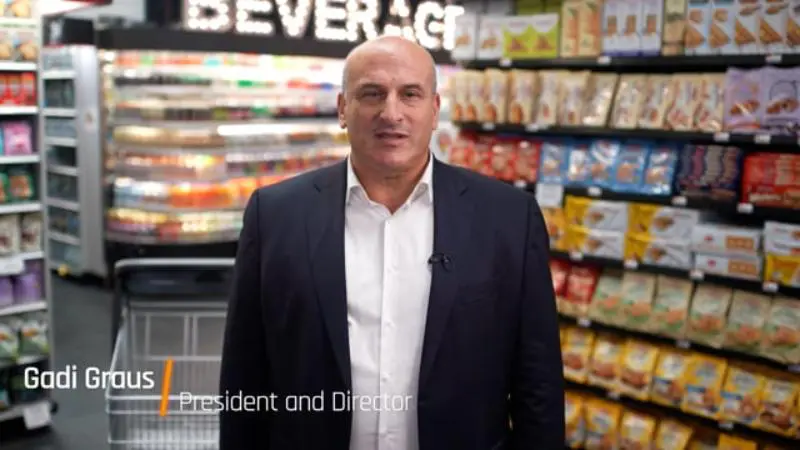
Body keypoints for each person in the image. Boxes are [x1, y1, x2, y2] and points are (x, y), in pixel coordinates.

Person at [218, 36, 565, 450]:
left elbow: (538, 382)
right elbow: (244, 373)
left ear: (434, 110)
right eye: (372, 94)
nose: (391, 113)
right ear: (342, 109)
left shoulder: (508, 218)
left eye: (410, 94)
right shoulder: (275, 215)